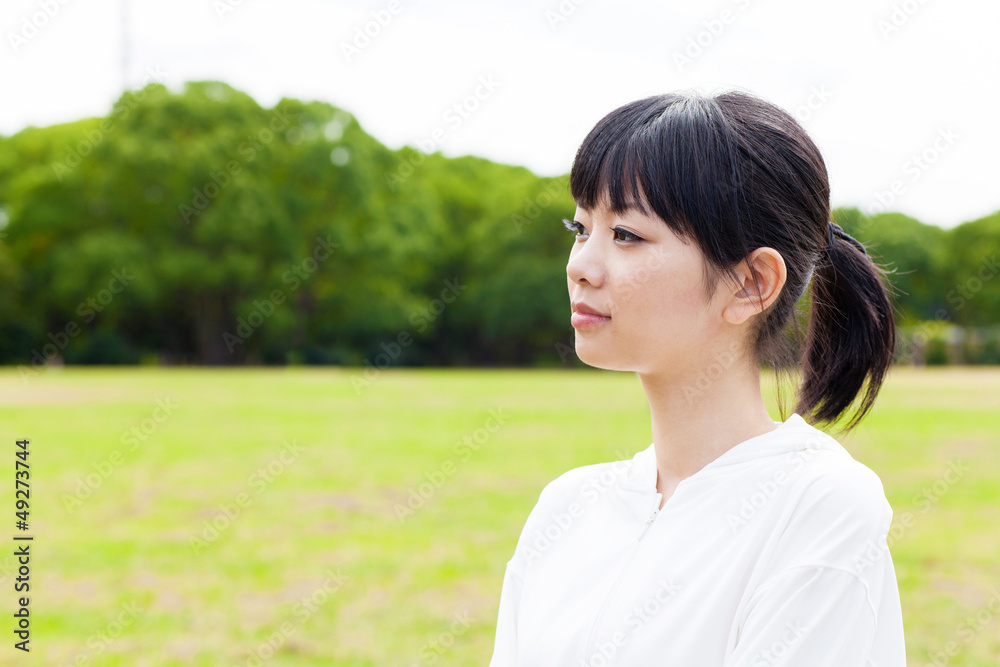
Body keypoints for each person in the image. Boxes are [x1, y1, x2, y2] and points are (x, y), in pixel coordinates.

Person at [488, 89, 906, 666]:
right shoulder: (568, 507)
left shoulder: (817, 507)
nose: (580, 266)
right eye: (580, 228)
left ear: (752, 283)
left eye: (627, 235)